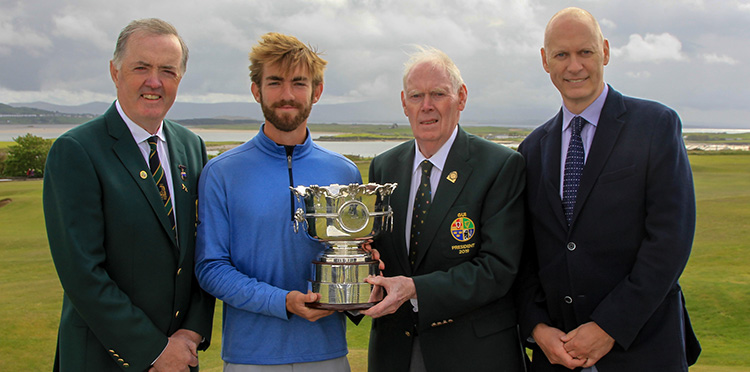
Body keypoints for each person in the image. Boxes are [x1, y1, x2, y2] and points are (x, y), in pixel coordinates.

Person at [516, 7, 701, 372]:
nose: (574, 66)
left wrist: (608, 327)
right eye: (561, 54)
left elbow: (669, 241)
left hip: (642, 350)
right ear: (544, 60)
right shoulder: (532, 149)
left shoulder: (656, 126)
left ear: (605, 51)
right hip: (557, 357)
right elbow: (523, 256)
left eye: (585, 52)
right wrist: (537, 328)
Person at [43, 18, 214, 371]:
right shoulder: (76, 150)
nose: (154, 82)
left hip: (181, 358)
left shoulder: (191, 147)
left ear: (179, 79)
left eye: (167, 70)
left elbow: (203, 250)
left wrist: (191, 333)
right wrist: (153, 350)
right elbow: (82, 273)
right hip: (104, 360)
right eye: (141, 68)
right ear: (115, 71)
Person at [194, 32, 362, 371]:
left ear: (317, 90)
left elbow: (353, 259)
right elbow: (211, 268)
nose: (287, 95)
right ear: (256, 90)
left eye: (299, 83)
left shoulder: (345, 173)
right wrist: (282, 301)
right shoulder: (221, 172)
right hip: (250, 357)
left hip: (327, 354)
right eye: (275, 82)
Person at [362, 47, 527, 372]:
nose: (426, 106)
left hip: (473, 355)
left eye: (438, 93)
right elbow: (384, 255)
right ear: (403, 103)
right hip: (395, 352)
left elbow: (498, 269)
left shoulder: (500, 166)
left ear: (461, 98)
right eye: (416, 95)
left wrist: (415, 289)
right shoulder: (384, 167)